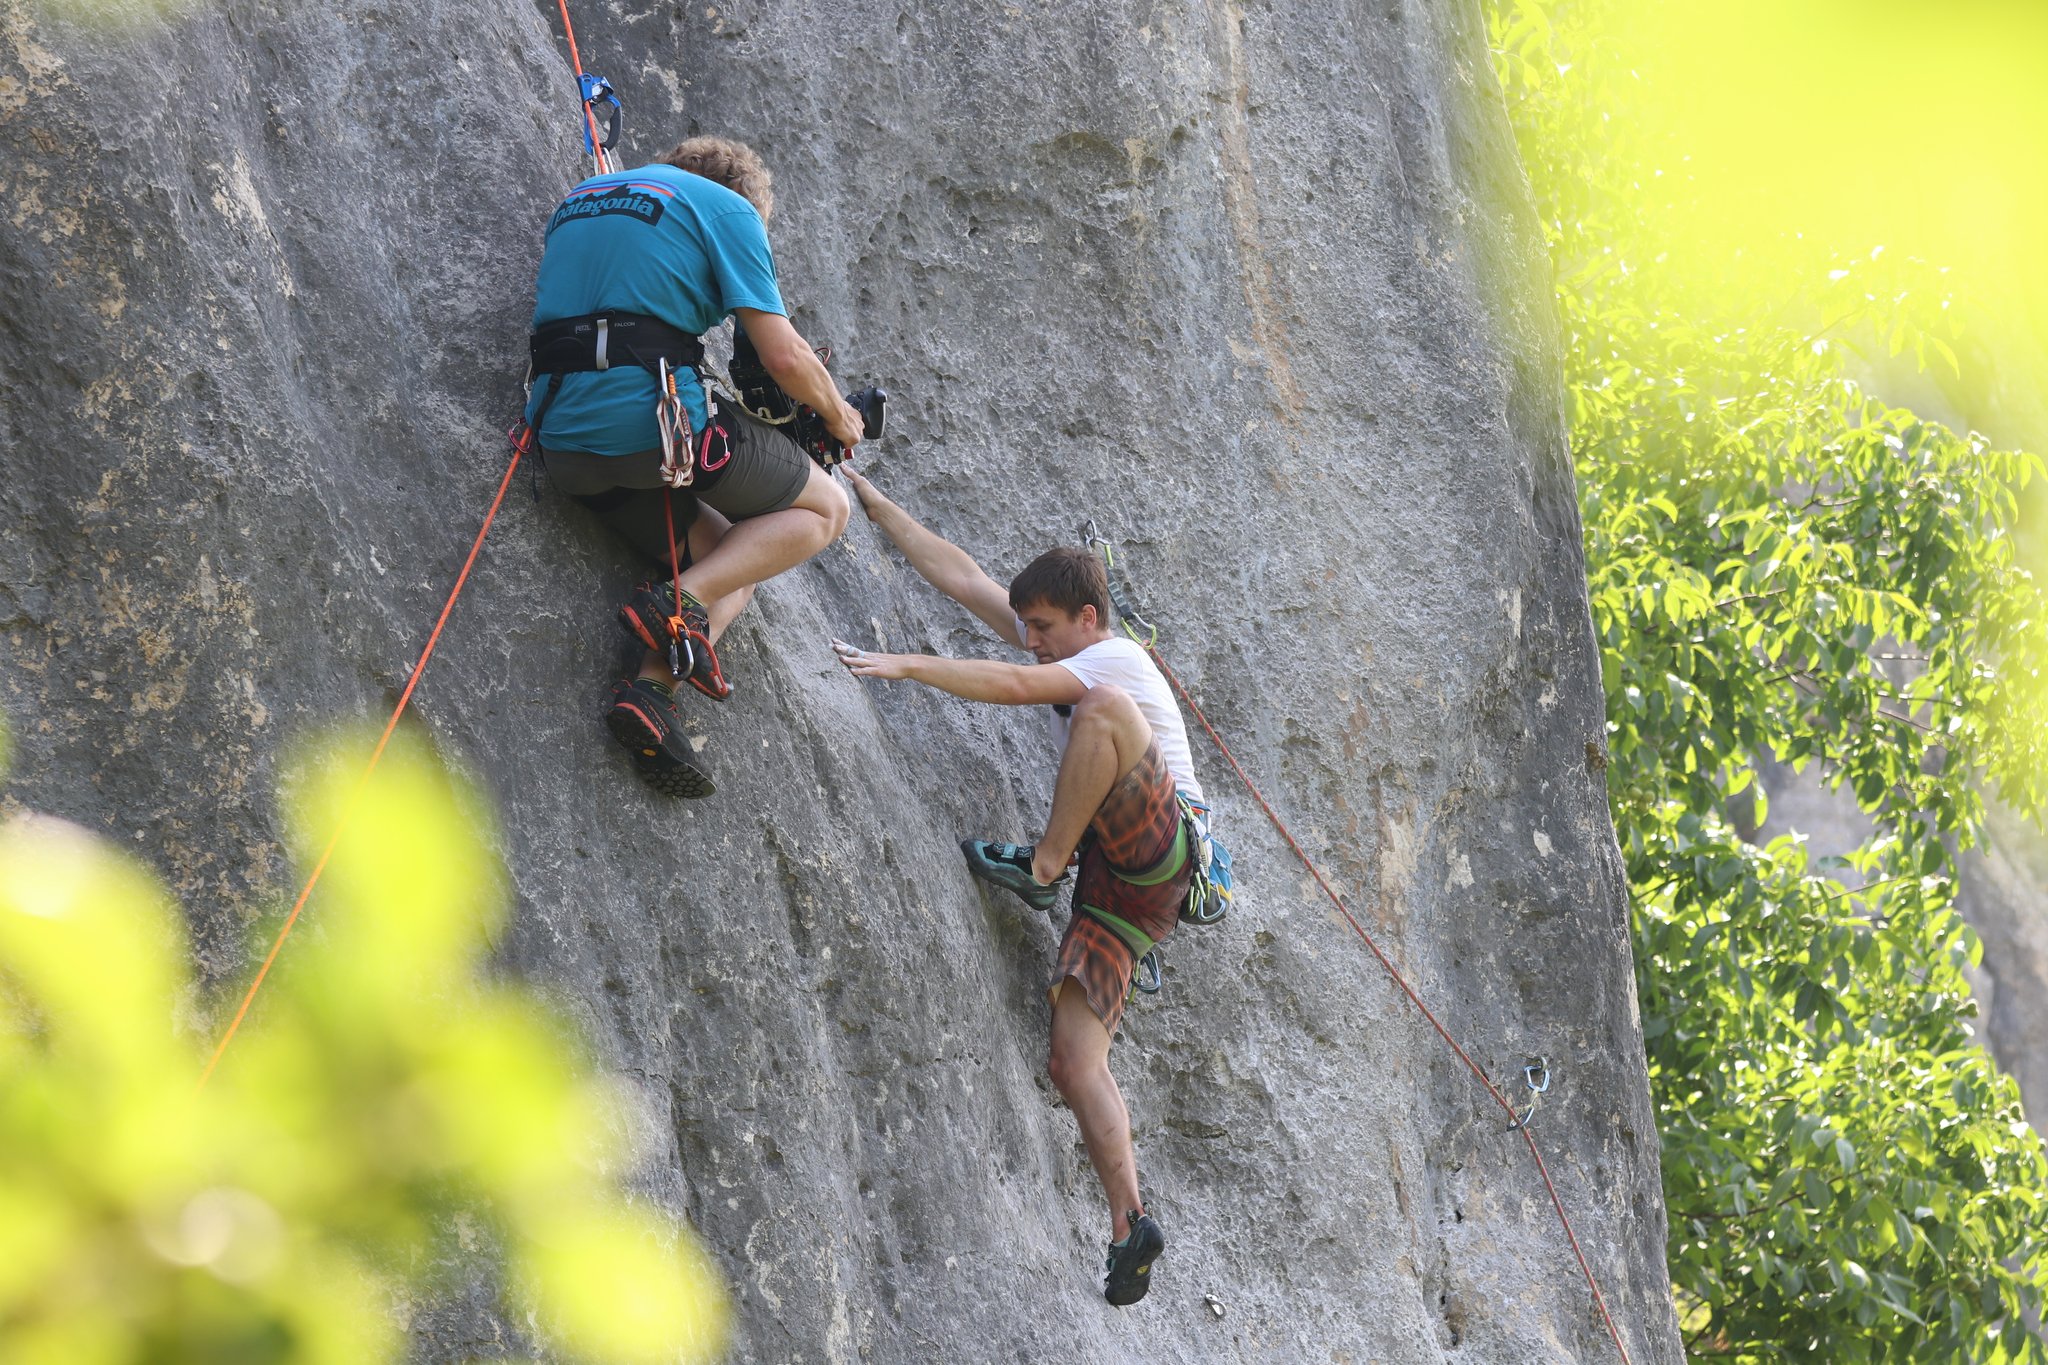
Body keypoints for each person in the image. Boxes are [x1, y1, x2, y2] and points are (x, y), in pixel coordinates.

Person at [831, 467, 1210, 1306]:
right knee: (1075, 1062)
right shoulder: (1066, 642)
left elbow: (1011, 684)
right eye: (1026, 627)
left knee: (1104, 708)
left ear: (1087, 617)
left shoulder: (1111, 656)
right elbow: (962, 575)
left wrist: (904, 665)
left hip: (1164, 840)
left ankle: (1042, 871)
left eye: (1042, 626)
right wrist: (872, 498)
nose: (1029, 640)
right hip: (1130, 882)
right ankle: (1129, 1222)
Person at [525, 136, 861, 796]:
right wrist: (841, 416)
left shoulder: (582, 199)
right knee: (827, 508)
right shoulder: (729, 212)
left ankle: (650, 694)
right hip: (656, 429)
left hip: (565, 445)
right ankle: (680, 603)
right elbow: (785, 358)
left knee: (736, 557)